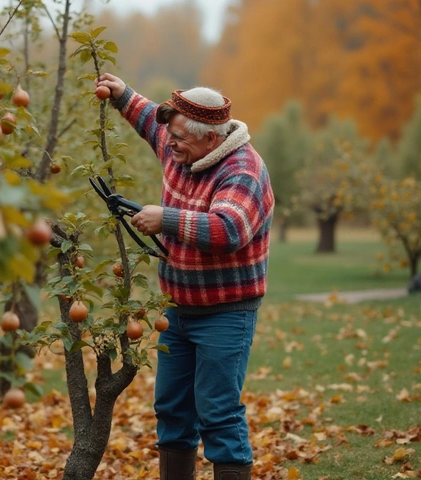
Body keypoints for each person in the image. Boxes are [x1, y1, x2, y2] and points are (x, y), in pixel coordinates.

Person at [95, 73, 275, 480]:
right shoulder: (183, 147)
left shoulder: (243, 171)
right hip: (176, 310)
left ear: (211, 139)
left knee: (218, 413)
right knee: (172, 410)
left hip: (225, 314)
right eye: (169, 134)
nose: (168, 142)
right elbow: (148, 121)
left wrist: (168, 219)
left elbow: (228, 230)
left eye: (178, 137)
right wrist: (122, 94)